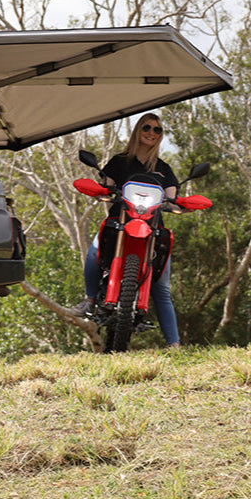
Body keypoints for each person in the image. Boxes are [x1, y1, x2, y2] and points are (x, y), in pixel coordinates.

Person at [70, 112, 181, 348]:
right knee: (93, 253)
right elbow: (106, 187)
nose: (152, 133)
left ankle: (174, 344)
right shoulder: (119, 161)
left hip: (152, 228)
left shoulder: (163, 169)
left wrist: (181, 204)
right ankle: (90, 300)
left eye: (157, 130)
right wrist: (101, 190)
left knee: (161, 287)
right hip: (119, 223)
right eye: (147, 128)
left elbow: (172, 198)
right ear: (138, 131)